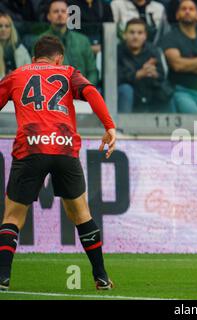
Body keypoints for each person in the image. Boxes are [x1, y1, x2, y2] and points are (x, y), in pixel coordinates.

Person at [0, 35, 116, 291]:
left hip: (30, 146)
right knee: (80, 213)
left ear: (33, 59)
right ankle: (101, 277)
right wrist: (109, 126)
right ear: (59, 57)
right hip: (63, 147)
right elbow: (91, 92)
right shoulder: (67, 72)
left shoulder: (17, 74)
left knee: (13, 216)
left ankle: (2, 278)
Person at [160, 0, 197, 114]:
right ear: (177, 15)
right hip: (181, 91)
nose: (187, 11)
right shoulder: (170, 37)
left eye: (191, 9)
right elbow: (177, 65)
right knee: (195, 118)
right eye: (183, 9)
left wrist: (187, 65)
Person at [118, 18, 174, 112]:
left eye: (140, 33)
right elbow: (115, 78)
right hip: (128, 92)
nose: (135, 36)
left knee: (165, 91)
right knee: (126, 90)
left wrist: (154, 74)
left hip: (149, 90)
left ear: (145, 36)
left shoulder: (154, 51)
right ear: (124, 35)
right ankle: (121, 125)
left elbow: (162, 75)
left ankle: (169, 126)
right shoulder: (117, 51)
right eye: (131, 32)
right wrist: (138, 74)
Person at [39, 0, 99, 86]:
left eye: (63, 11)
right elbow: (37, 72)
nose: (60, 14)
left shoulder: (83, 40)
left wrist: (86, 88)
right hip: (53, 93)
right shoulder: (41, 41)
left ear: (68, 15)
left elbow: (92, 71)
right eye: (56, 11)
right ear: (48, 16)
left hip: (81, 92)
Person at [0, 13, 32, 79]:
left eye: (7, 26)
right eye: (0, 26)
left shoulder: (20, 49)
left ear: (11, 29)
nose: (3, 29)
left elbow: (29, 72)